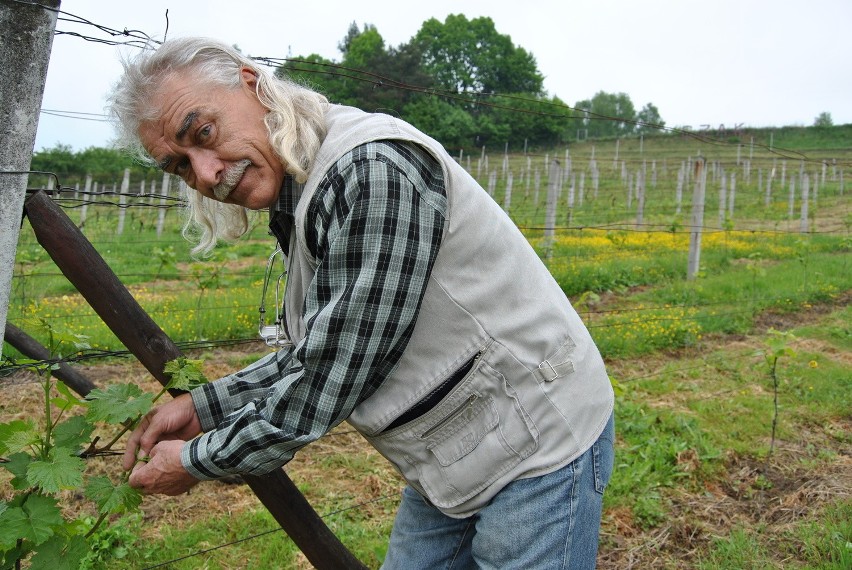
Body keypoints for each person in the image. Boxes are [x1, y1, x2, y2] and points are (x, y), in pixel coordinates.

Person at [111, 37, 615, 569]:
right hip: (455, 445)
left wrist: (198, 459)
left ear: (254, 84)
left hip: (537, 437)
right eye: (181, 166)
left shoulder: (371, 170)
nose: (207, 173)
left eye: (204, 133)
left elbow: (334, 371)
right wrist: (205, 406)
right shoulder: (303, 184)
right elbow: (329, 338)